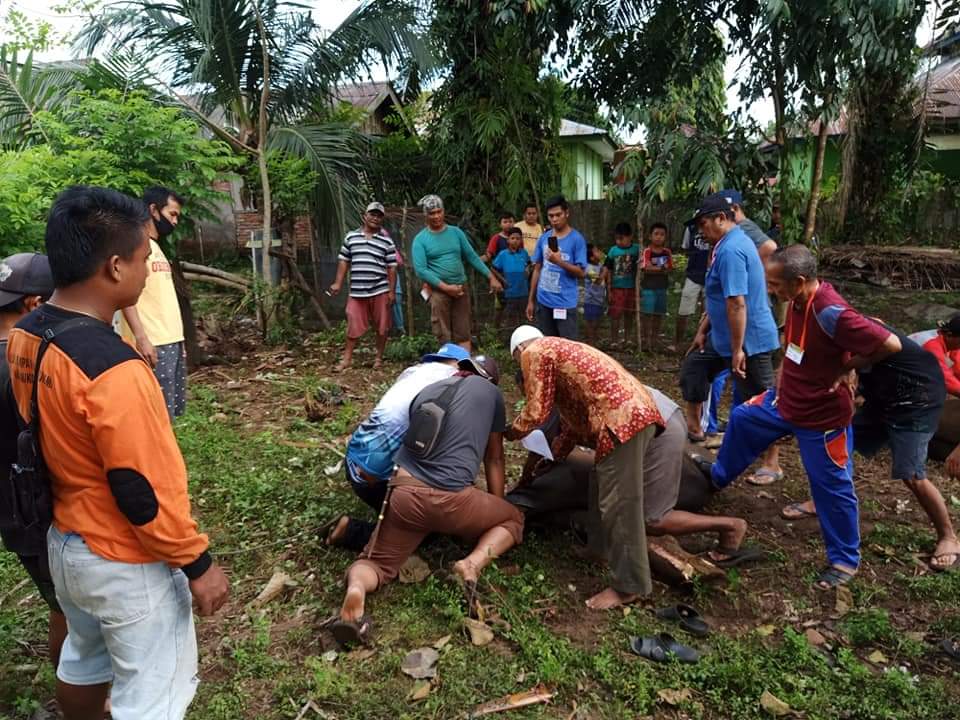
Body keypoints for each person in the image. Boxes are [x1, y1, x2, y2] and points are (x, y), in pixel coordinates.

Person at [4, 186, 229, 720]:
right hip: (123, 561)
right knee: (152, 696)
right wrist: (198, 564)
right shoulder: (116, 369)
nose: (147, 268)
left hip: (66, 545)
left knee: (83, 660)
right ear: (113, 267)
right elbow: (142, 487)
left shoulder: (27, 335)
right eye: (141, 258)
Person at [695, 245, 900, 590]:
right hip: (785, 399)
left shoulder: (832, 312)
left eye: (775, 285)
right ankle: (718, 476)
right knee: (744, 417)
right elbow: (794, 349)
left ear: (800, 281)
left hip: (821, 415)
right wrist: (780, 379)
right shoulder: (797, 303)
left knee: (831, 484)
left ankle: (844, 560)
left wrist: (848, 366)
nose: (771, 291)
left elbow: (890, 343)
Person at [336, 356, 523, 641]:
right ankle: (470, 565)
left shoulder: (428, 390)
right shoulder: (492, 394)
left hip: (403, 494)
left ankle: (357, 589)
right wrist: (500, 506)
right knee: (513, 518)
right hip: (450, 500)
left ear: (461, 369)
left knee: (378, 564)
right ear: (492, 380)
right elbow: (494, 458)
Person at [506, 326, 665, 610]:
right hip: (629, 415)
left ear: (518, 352)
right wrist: (553, 457)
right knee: (600, 482)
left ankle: (630, 587)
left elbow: (536, 411)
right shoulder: (562, 353)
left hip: (621, 419)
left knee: (620, 503)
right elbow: (570, 425)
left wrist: (506, 432)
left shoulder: (535, 351)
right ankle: (598, 549)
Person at [781, 326, 960, 572]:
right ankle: (820, 501)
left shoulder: (861, 332)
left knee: (912, 474)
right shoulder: (822, 336)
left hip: (918, 402)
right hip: (885, 398)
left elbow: (882, 348)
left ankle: (948, 536)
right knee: (837, 438)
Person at [325, 343, 470, 552]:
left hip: (354, 463)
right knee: (429, 527)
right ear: (460, 366)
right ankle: (352, 532)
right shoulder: (452, 384)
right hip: (374, 478)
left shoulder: (413, 372)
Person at [0, 253, 69, 676]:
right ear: (33, 304)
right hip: (38, 511)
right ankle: (88, 701)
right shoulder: (28, 363)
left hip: (11, 515)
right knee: (71, 613)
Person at [679, 192, 780, 447]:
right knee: (695, 364)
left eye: (703, 224)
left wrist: (737, 350)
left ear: (721, 218)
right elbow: (718, 297)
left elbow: (736, 303)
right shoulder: (722, 245)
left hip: (748, 341)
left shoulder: (733, 250)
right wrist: (702, 330)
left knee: (760, 400)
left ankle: (771, 461)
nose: (700, 232)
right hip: (724, 336)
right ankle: (695, 428)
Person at [118, 186, 187, 420]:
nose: (175, 222)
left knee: (169, 415)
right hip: (154, 344)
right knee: (155, 416)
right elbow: (125, 295)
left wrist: (180, 340)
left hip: (171, 340)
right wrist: (142, 338)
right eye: (172, 214)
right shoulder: (135, 246)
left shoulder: (155, 248)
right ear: (153, 210)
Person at [412, 195, 502, 351]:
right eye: (432, 213)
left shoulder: (456, 233)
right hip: (439, 291)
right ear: (425, 215)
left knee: (463, 331)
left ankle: (464, 367)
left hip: (460, 288)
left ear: (443, 211)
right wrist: (446, 288)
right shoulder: (420, 240)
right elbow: (421, 270)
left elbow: (472, 256)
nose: (436, 216)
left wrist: (491, 277)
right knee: (443, 333)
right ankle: (448, 368)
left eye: (439, 212)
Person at [328, 202, 397, 371]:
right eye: (372, 214)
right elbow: (344, 260)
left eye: (379, 215)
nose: (375, 218)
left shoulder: (387, 242)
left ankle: (379, 358)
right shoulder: (351, 237)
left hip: (380, 288)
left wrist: (391, 291)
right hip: (357, 290)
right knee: (352, 321)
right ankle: (346, 359)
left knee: (382, 326)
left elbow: (392, 268)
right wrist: (338, 283)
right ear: (364, 216)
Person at [526, 195, 587, 339]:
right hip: (544, 301)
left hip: (564, 303)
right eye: (550, 216)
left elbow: (581, 272)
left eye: (558, 215)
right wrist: (531, 300)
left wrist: (559, 262)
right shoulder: (544, 238)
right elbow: (537, 268)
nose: (554, 219)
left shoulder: (576, 239)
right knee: (548, 345)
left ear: (567, 213)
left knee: (566, 347)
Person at [603, 222, 640, 347]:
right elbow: (607, 268)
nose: (619, 241)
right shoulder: (613, 250)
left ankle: (627, 338)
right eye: (617, 238)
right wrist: (605, 284)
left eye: (621, 238)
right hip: (617, 288)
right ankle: (614, 340)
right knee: (615, 314)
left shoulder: (637, 249)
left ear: (630, 236)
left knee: (629, 314)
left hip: (632, 287)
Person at [674, 224, 711, 349]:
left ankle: (703, 344)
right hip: (693, 275)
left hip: (710, 275)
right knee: (684, 310)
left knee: (707, 312)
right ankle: (678, 343)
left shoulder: (716, 228)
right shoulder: (691, 229)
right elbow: (686, 248)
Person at [639, 222, 673, 351]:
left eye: (662, 234)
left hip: (662, 287)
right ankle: (645, 340)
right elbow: (645, 268)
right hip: (648, 287)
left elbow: (670, 268)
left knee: (658, 314)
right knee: (647, 314)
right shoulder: (647, 251)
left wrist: (656, 268)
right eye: (656, 234)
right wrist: (661, 268)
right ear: (650, 236)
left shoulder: (667, 252)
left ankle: (654, 340)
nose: (659, 237)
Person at [719, 189, 778, 262]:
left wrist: (749, 265)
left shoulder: (744, 227)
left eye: (724, 211)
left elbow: (770, 247)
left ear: (735, 208)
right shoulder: (737, 227)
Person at [909, 316, 960, 397]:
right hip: (894, 377)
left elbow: (958, 364)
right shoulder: (931, 344)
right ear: (949, 335)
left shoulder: (949, 338)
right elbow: (944, 378)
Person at [492, 227, 531, 331]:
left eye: (518, 238)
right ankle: (508, 338)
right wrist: (503, 280)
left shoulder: (524, 253)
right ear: (508, 240)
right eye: (513, 238)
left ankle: (524, 337)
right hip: (510, 292)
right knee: (510, 317)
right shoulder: (503, 254)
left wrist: (527, 269)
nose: (515, 240)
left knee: (524, 317)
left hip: (523, 291)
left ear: (521, 240)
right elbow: (493, 269)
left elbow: (529, 264)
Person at [583, 244, 606, 345]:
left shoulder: (599, 264)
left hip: (599, 299)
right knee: (591, 323)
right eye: (596, 251)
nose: (599, 252)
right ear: (591, 257)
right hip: (591, 300)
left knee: (597, 322)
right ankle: (590, 343)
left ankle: (595, 341)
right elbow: (597, 280)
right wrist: (605, 271)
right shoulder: (588, 268)